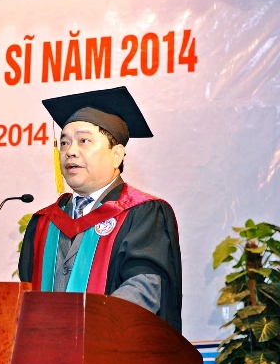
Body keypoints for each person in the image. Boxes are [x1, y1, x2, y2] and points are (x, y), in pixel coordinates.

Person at [18, 86, 182, 332]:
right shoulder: (43, 222)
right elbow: (26, 292)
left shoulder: (142, 213)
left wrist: (85, 329)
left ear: (117, 155)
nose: (70, 151)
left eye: (84, 141)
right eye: (64, 143)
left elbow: (143, 289)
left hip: (112, 349)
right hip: (43, 352)